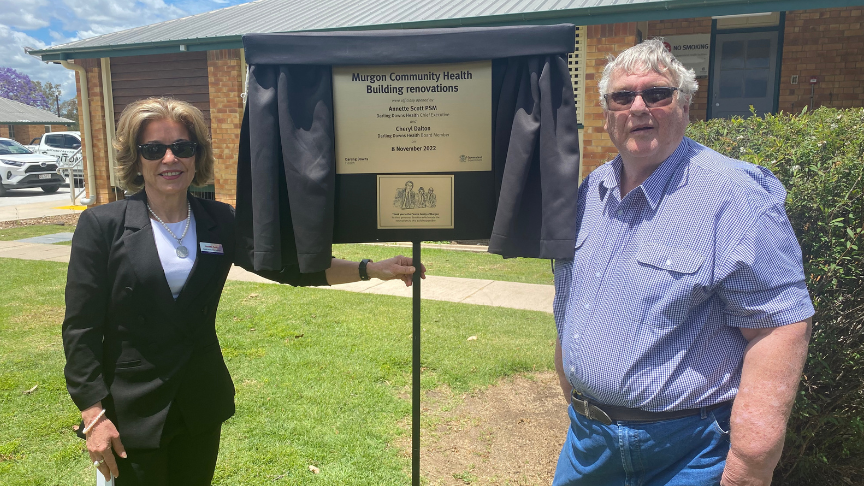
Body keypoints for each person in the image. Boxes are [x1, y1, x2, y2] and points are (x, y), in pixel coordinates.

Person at [62, 97, 424, 485]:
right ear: (136, 159)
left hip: (200, 402)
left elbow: (289, 268)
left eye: (183, 148)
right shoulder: (102, 225)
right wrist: (93, 415)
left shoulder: (220, 219)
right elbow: (81, 329)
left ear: (196, 156)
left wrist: (371, 270)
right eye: (154, 150)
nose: (170, 159)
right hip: (131, 409)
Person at [552, 39, 814, 486]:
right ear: (608, 113)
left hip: (688, 452)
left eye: (657, 93)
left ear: (685, 104)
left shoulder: (736, 196)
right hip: (588, 444)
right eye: (623, 96)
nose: (639, 106)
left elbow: (778, 327)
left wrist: (750, 464)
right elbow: (570, 302)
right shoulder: (588, 194)